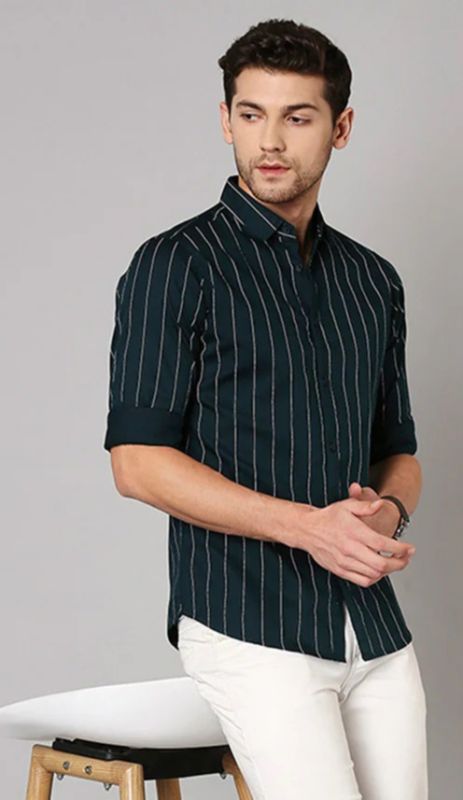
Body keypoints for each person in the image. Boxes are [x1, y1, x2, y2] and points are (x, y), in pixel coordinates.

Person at [102, 18, 427, 800]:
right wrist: (308, 528)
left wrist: (385, 517)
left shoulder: (372, 281)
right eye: (251, 115)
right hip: (246, 621)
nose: (270, 141)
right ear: (226, 120)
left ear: (341, 127)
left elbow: (401, 455)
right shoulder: (176, 265)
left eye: (297, 117)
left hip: (371, 624)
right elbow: (137, 464)